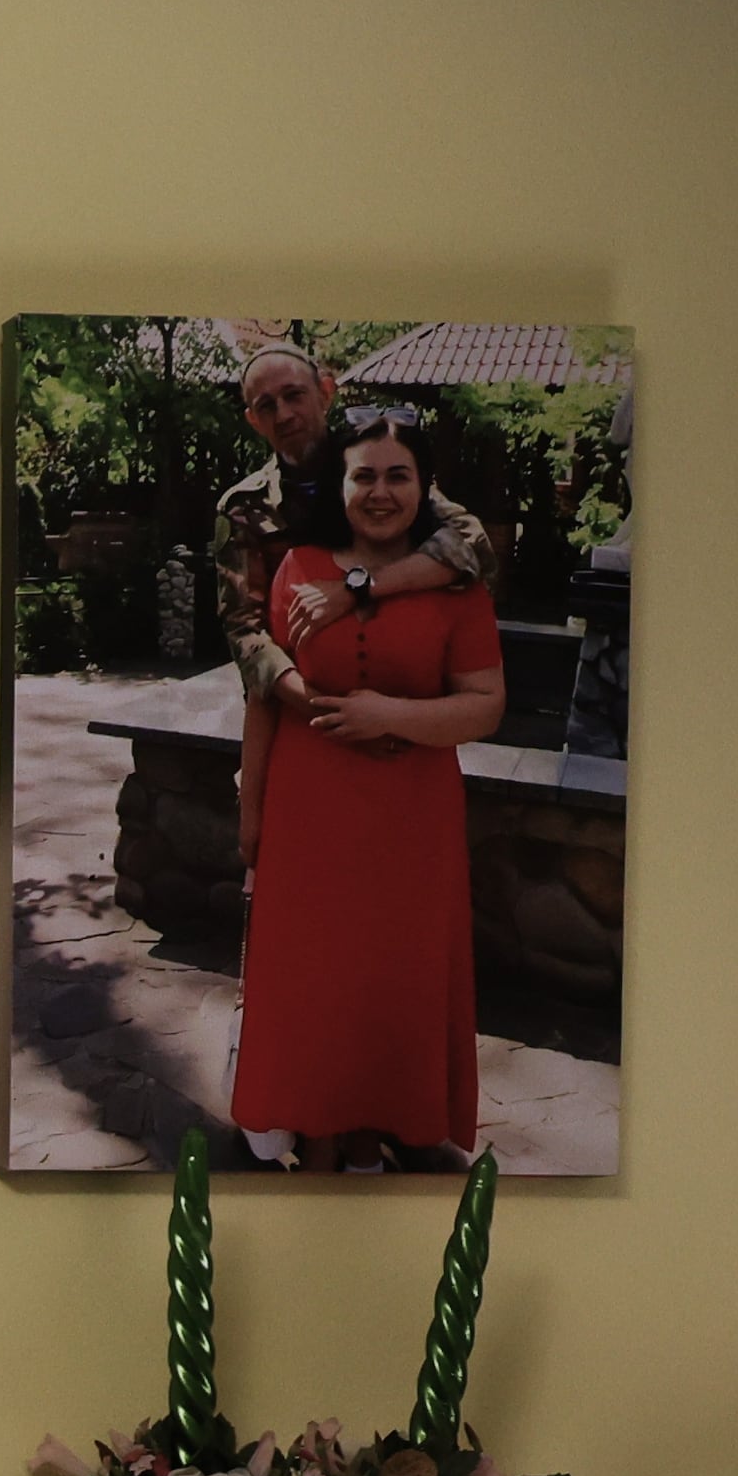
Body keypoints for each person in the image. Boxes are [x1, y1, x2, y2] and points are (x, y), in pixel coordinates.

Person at [231, 409, 504, 1171]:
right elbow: (261, 697)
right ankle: (315, 1134)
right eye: (365, 475)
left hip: (411, 822)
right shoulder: (296, 567)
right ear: (341, 484)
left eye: (398, 475)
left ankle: (371, 1127)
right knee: (315, 982)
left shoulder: (459, 585)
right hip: (306, 815)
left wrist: (396, 715)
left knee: (393, 978)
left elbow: (486, 702)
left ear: (424, 484)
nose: (381, 491)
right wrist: (251, 812)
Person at [212, 343, 499, 724]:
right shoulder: (244, 507)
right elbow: (244, 629)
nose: (283, 414)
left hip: (406, 696)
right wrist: (326, 709)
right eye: (266, 405)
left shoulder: (376, 467)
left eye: (294, 395)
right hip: (298, 711)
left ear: (326, 393)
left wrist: (357, 589)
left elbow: (474, 547)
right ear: (253, 419)